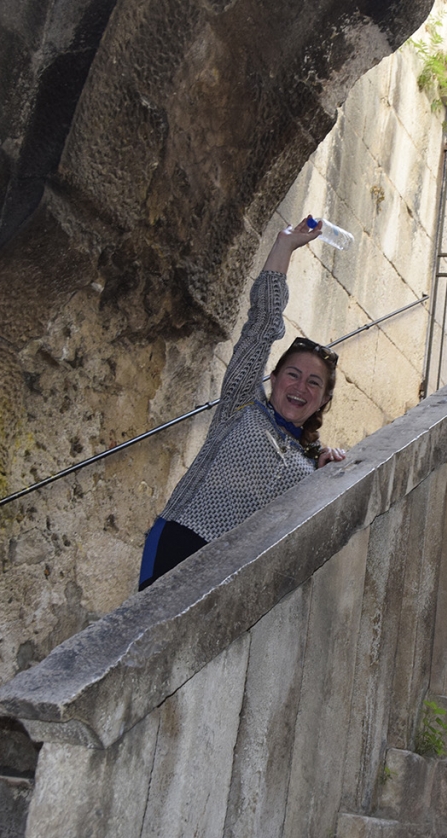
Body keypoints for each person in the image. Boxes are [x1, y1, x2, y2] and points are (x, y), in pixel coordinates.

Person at [138, 219, 347, 590]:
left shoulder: (311, 463)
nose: (300, 387)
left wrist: (325, 478)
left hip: (237, 579)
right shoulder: (243, 404)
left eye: (314, 383)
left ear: (324, 400)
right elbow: (261, 325)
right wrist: (284, 245)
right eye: (293, 374)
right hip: (181, 543)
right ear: (274, 378)